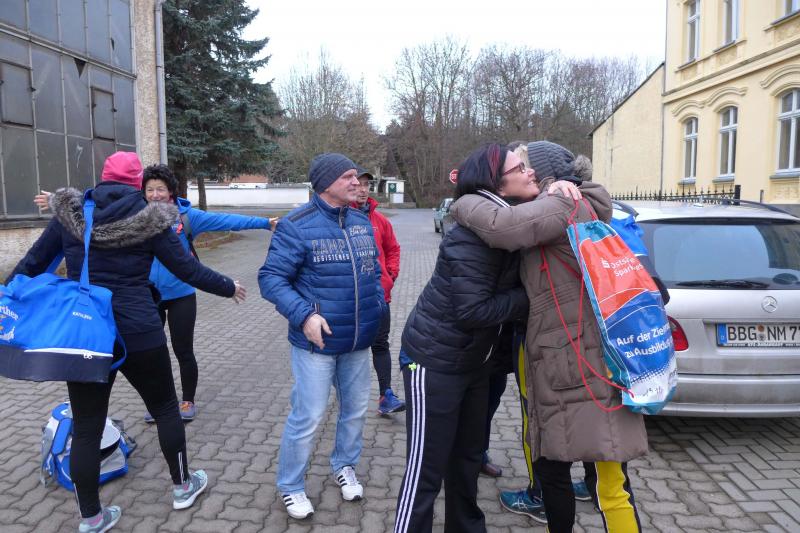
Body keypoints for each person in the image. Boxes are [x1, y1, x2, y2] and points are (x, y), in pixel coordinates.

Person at [8, 151, 246, 533]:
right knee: (165, 408)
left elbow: (32, 264)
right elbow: (187, 268)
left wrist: (6, 298)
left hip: (87, 334)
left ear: (102, 177)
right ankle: (183, 487)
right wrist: (228, 286)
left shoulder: (71, 214)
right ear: (137, 183)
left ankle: (91, 518)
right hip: (139, 329)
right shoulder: (150, 218)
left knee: (87, 426)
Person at [449, 140, 648, 533]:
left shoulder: (563, 204)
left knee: (605, 482)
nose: (522, 173)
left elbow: (501, 227)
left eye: (526, 167)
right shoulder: (560, 204)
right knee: (563, 472)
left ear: (545, 174)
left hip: (581, 363)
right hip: (567, 359)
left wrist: (463, 199)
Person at [393, 143, 576, 533]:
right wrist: (533, 297)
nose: (530, 172)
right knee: (426, 470)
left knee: (467, 460)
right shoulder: (472, 236)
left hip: (476, 363)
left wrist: (560, 188)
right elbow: (472, 311)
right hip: (434, 362)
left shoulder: (510, 218)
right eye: (520, 168)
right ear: (496, 182)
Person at [258, 153, 386, 520]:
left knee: (355, 411)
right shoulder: (296, 225)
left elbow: (373, 271)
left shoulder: (361, 221)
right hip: (317, 344)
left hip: (358, 340)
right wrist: (305, 316)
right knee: (309, 416)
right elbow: (270, 278)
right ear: (326, 183)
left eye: (356, 177)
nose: (356, 183)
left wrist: (378, 303)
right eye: (348, 176)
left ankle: (345, 466)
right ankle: (291, 485)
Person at [141, 164, 276, 422]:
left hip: (181, 295)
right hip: (149, 296)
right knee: (152, 354)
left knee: (183, 351)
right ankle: (160, 404)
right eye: (150, 190)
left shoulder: (187, 217)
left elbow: (226, 220)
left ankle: (187, 400)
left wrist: (264, 223)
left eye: (160, 189)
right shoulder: (138, 216)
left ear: (171, 192)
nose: (155, 195)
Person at [352, 168, 405, 415]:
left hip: (379, 296)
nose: (363, 189)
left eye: (366, 185)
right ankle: (349, 399)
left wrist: (390, 276)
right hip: (351, 299)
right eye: (358, 184)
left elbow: (393, 249)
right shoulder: (339, 218)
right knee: (352, 349)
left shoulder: (380, 220)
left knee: (380, 344)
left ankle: (386, 396)